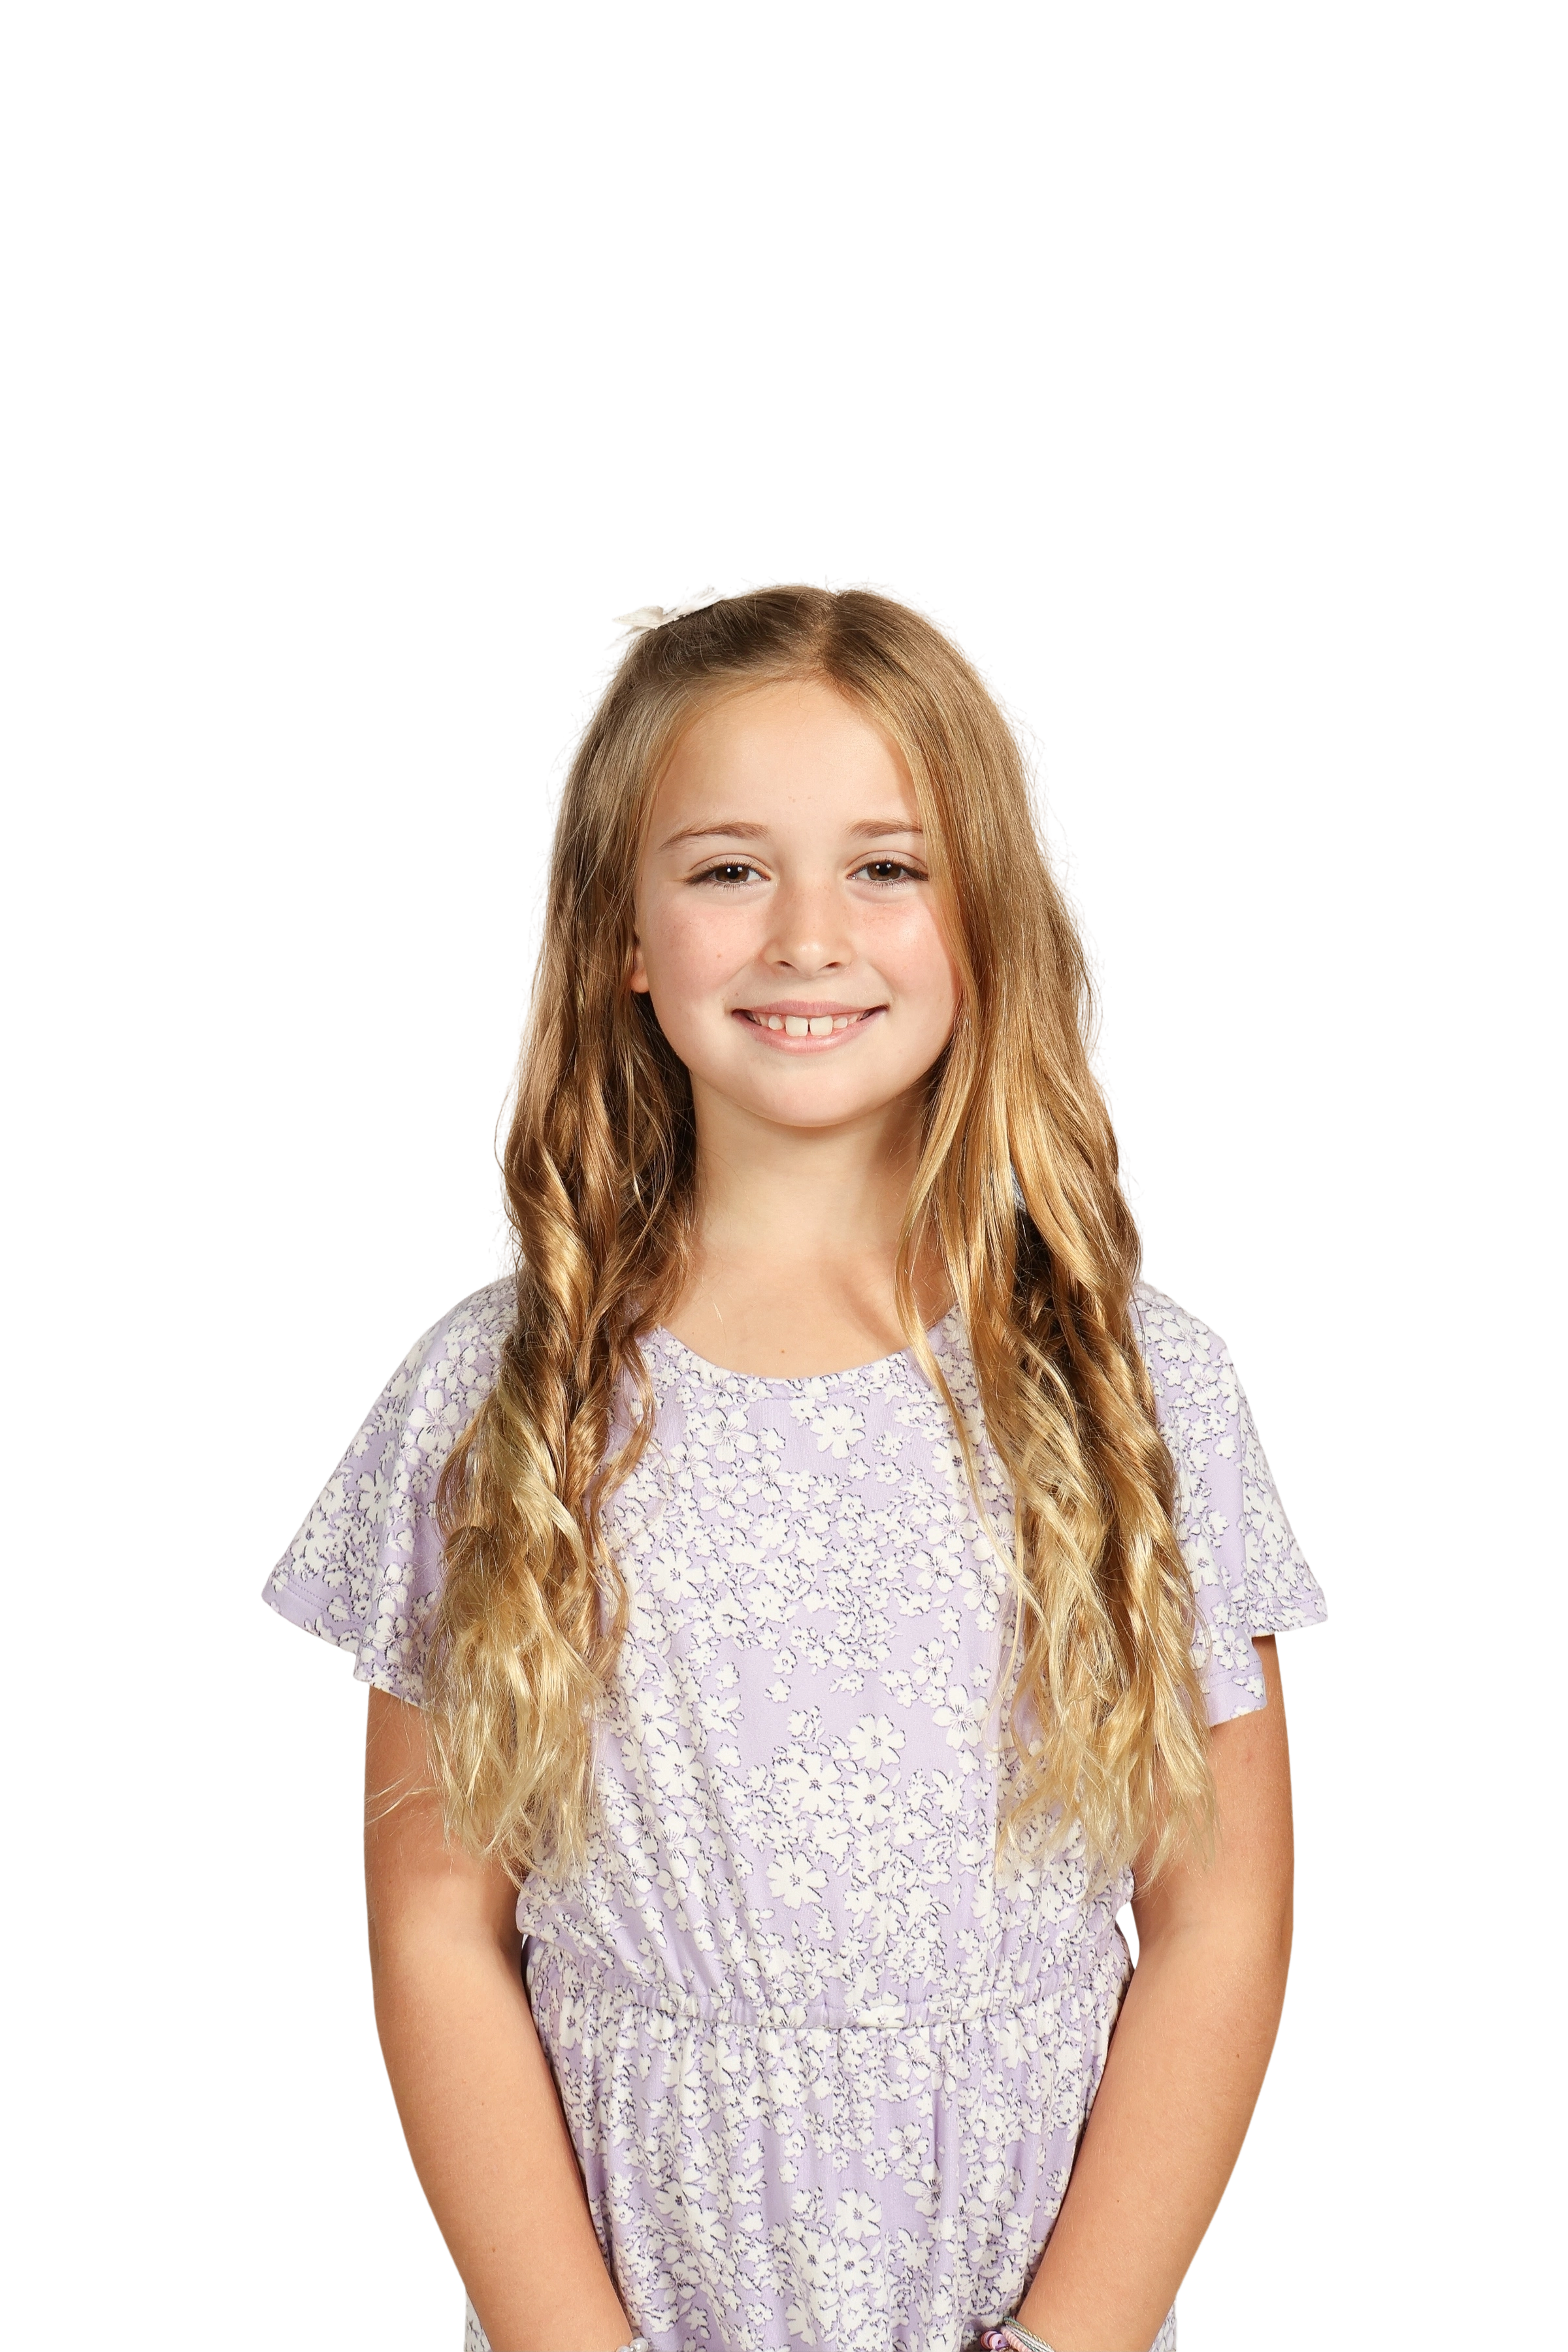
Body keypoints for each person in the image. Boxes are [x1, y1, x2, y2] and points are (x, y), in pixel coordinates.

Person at [259, 575, 1331, 2352]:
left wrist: (1062, 2344)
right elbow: (435, 1924)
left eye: (886, 866)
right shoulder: (494, 1396)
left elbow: (1219, 1912)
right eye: (729, 870)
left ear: (988, 918)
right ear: (619, 931)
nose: (808, 938)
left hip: (1028, 2291)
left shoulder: (1142, 1389)